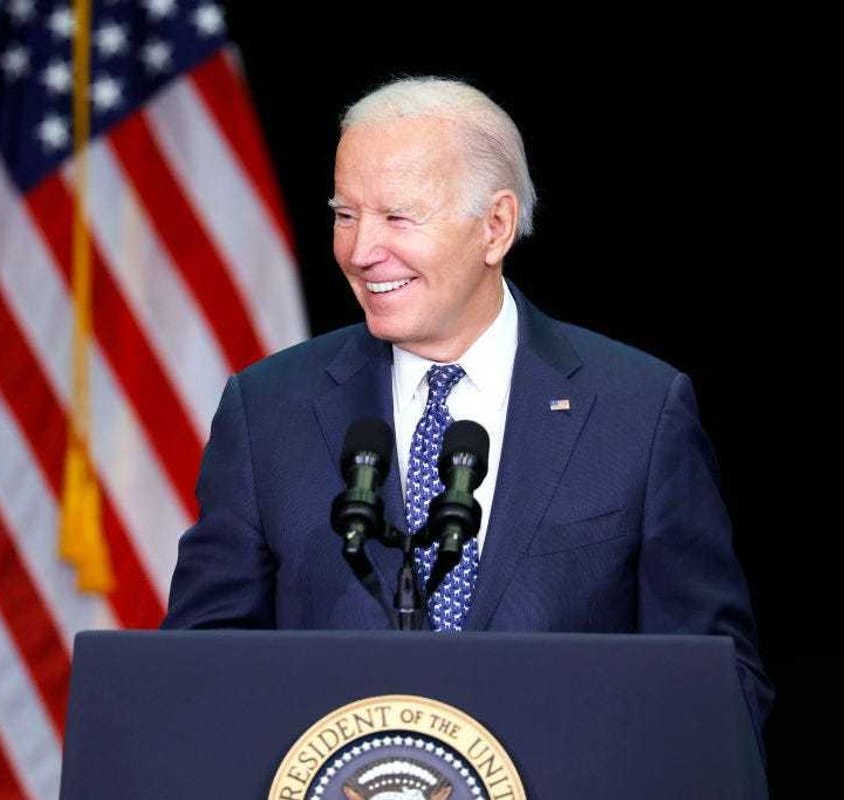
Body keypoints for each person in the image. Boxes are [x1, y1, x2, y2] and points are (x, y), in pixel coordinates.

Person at [162, 77, 772, 734]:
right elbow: (198, 674)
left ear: (496, 226)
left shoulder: (638, 412)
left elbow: (718, 685)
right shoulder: (268, 411)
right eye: (345, 214)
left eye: (397, 217)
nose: (361, 252)